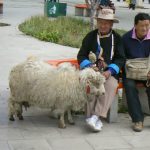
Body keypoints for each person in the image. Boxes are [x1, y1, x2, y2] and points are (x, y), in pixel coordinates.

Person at [77, 8, 125, 132]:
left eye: (106, 23)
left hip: (109, 73)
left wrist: (110, 71)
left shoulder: (117, 39)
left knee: (109, 85)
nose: (103, 25)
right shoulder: (90, 36)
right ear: (97, 22)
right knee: (91, 84)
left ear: (111, 24)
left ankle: (96, 116)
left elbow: (120, 59)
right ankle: (91, 117)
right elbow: (81, 55)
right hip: (92, 71)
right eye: (101, 22)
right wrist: (89, 66)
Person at [122, 13, 150, 132]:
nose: (145, 28)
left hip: (147, 71)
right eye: (142, 25)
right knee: (129, 85)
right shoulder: (125, 38)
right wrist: (128, 68)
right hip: (131, 72)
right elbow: (121, 58)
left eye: (147, 25)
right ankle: (138, 120)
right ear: (135, 25)